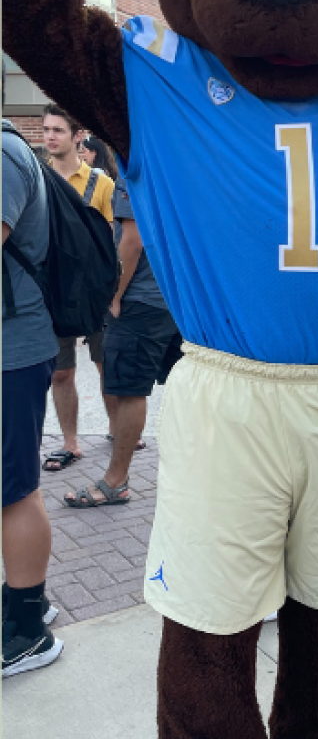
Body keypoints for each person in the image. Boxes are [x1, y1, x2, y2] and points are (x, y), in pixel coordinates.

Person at [63, 177, 182, 508]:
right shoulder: (179, 157)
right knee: (189, 389)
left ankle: (116, 482)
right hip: (180, 299)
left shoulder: (137, 168)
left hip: (141, 301)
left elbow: (132, 241)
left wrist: (114, 295)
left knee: (129, 392)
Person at [2, 106, 64, 676]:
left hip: (12, 354)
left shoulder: (2, 154)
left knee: (13, 488)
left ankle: (27, 631)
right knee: (12, 483)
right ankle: (23, 601)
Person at [39, 103, 118, 472]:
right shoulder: (37, 178)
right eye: (46, 130)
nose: (50, 137)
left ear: (77, 136)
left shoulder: (101, 183)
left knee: (106, 365)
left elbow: (111, 243)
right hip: (54, 291)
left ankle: (119, 432)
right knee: (61, 371)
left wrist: (114, 294)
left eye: (58, 130)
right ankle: (70, 443)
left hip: (95, 291)